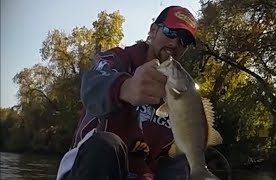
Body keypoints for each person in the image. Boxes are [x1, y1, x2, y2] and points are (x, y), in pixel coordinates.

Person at [56, 5, 198, 180]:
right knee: (105, 144)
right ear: (153, 31)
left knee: (183, 161)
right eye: (170, 32)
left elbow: (166, 157)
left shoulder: (179, 90)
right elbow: (90, 87)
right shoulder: (117, 59)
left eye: (184, 40)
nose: (175, 43)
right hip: (91, 169)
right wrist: (124, 87)